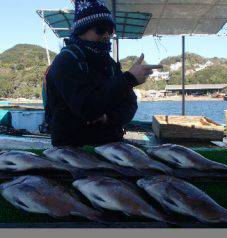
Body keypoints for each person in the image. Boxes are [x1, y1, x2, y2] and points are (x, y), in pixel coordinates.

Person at [45, 0, 162, 147]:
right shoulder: (66, 61)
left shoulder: (110, 64)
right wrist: (129, 78)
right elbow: (87, 108)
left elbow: (130, 104)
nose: (106, 35)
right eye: (100, 30)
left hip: (112, 147)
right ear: (81, 31)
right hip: (74, 151)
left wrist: (108, 118)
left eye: (110, 31)